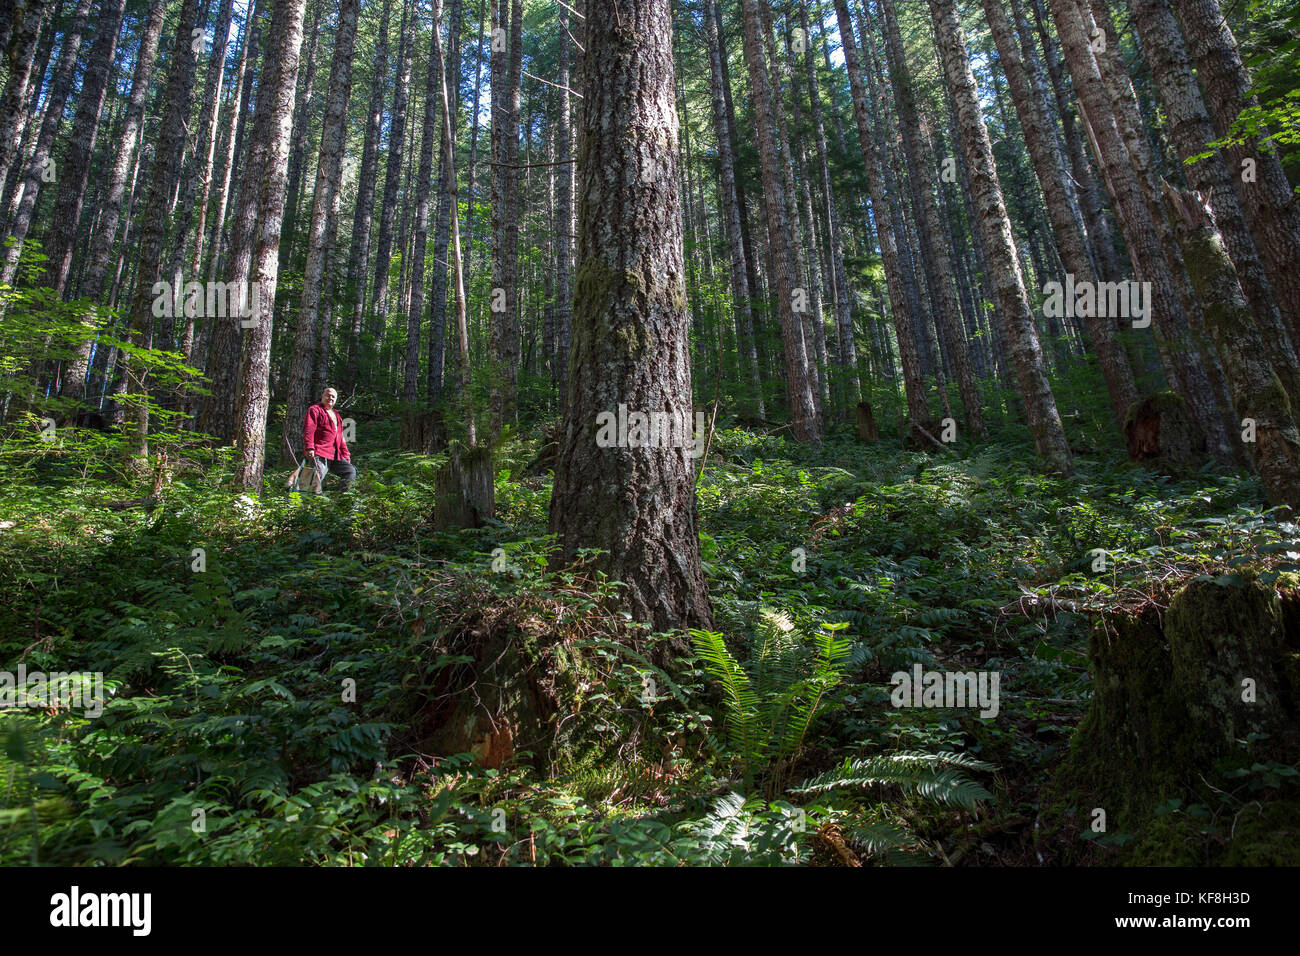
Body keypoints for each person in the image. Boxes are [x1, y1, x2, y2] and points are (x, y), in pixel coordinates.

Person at [302, 387, 356, 492]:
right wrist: (309, 447)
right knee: (315, 480)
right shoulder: (315, 410)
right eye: (328, 395)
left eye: (333, 396)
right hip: (320, 452)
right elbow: (309, 429)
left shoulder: (337, 415)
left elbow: (340, 437)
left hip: (336, 455)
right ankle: (305, 504)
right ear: (322, 396)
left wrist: (346, 454)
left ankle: (343, 499)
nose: (330, 398)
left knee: (350, 471)